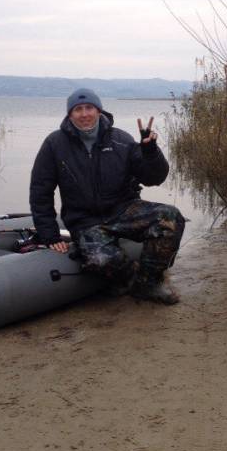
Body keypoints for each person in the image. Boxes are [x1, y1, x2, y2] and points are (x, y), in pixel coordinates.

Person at [29, 88, 185, 304]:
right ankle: (132, 280)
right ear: (70, 114)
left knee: (171, 217)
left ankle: (150, 284)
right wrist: (50, 235)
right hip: (84, 220)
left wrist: (150, 152)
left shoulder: (121, 139)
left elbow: (153, 178)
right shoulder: (54, 144)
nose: (84, 114)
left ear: (99, 110)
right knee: (102, 260)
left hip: (123, 210)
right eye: (78, 109)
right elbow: (40, 191)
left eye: (89, 108)